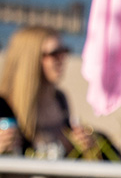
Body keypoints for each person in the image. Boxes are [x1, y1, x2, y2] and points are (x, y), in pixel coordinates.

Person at [0, 26, 96, 157]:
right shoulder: (4, 106)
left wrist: (81, 146)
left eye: (64, 51)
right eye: (54, 54)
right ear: (31, 59)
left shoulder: (59, 99)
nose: (62, 59)